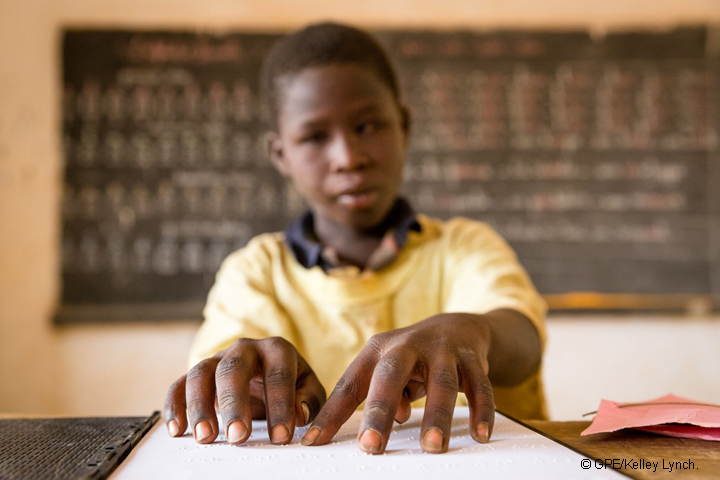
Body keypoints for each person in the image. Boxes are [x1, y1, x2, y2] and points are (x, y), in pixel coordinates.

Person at [163, 22, 547, 455]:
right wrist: (245, 389)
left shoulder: (464, 246)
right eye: (314, 137)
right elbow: (227, 383)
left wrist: (471, 330)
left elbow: (523, 340)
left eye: (368, 126)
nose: (348, 158)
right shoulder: (255, 272)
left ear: (403, 125)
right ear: (280, 155)